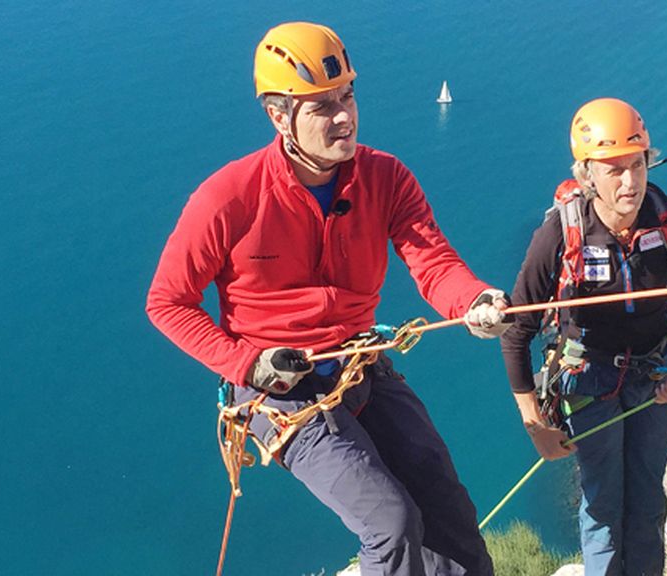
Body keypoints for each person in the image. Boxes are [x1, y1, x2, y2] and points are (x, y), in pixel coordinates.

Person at [146, 22, 508, 576]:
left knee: (446, 503)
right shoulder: (229, 198)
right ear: (279, 116)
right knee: (389, 522)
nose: (344, 117)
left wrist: (473, 300)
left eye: (348, 97)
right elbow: (168, 301)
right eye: (322, 107)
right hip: (279, 392)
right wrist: (248, 363)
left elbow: (432, 261)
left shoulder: (385, 178)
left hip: (360, 365)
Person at [499, 98, 667, 575]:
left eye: (637, 165)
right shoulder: (560, 234)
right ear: (587, 174)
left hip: (654, 375)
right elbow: (516, 332)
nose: (630, 182)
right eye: (614, 170)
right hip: (588, 382)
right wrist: (535, 425)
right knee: (602, 506)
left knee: (649, 500)